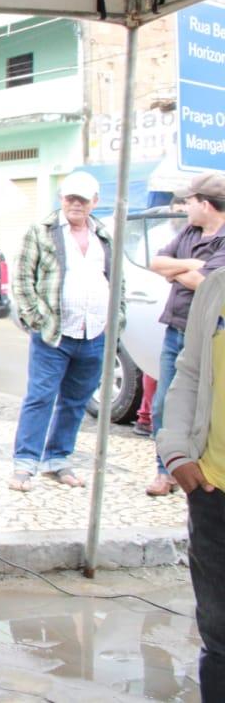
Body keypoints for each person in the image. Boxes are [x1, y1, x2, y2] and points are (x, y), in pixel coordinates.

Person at [8, 171, 122, 492]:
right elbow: (22, 280)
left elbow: (117, 281)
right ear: (61, 199)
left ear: (94, 202)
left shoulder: (104, 235)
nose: (76, 203)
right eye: (70, 197)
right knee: (40, 397)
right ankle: (25, 463)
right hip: (54, 333)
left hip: (94, 332)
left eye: (82, 199)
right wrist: (39, 320)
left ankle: (58, 459)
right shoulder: (41, 232)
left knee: (75, 401)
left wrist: (117, 321)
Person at [157, 266, 225, 699]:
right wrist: (176, 451)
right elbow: (191, 373)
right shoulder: (216, 288)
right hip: (215, 492)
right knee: (220, 638)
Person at [146, 171, 225, 496]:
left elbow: (208, 283)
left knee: (206, 404)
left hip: (209, 332)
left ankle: (199, 463)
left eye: (189, 201)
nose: (183, 206)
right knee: (165, 402)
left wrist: (180, 270)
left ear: (206, 204)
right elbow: (156, 263)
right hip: (177, 325)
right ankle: (166, 470)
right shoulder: (189, 232)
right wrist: (193, 264)